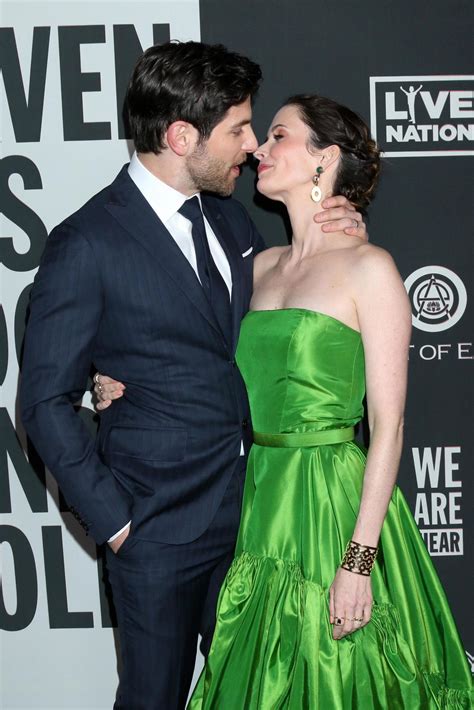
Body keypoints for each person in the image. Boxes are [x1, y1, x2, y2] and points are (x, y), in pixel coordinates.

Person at [20, 42, 366, 710]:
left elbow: (281, 326)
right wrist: (117, 524)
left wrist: (339, 225)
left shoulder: (234, 220)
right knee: (154, 699)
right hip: (155, 531)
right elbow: (41, 402)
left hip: (256, 522)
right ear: (182, 136)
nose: (252, 147)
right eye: (238, 129)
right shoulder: (87, 242)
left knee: (262, 696)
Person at [100, 95, 473, 708]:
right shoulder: (256, 264)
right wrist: (118, 380)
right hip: (255, 498)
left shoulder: (370, 268)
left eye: (277, 136)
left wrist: (358, 559)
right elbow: (190, 351)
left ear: (324, 159)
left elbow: (389, 426)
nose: (258, 151)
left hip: (332, 503)